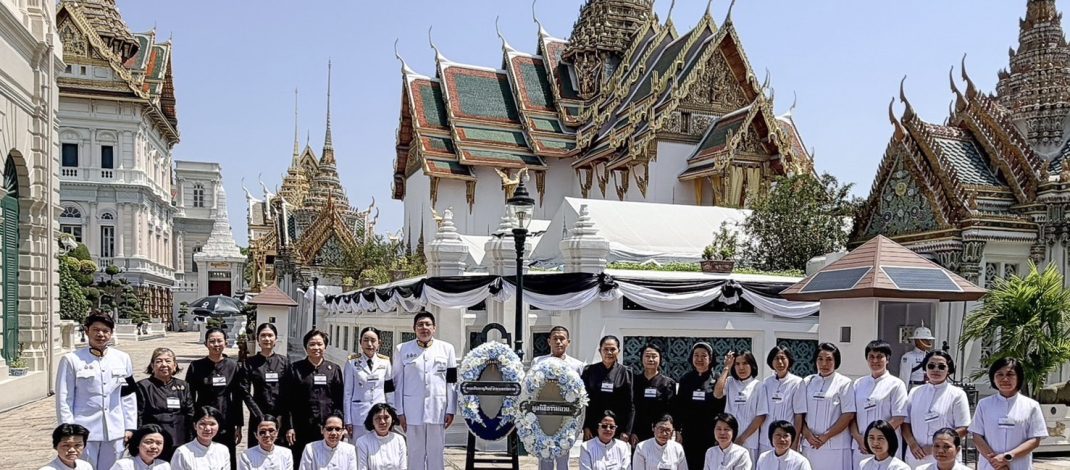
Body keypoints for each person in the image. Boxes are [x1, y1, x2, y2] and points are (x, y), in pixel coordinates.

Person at [55, 312, 137, 470]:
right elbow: (64, 399)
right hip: (84, 430)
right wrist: (68, 430)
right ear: (87, 331)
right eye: (96, 330)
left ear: (111, 333)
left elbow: (128, 395)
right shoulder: (72, 360)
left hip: (115, 430)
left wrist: (130, 427)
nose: (101, 334)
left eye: (106, 331)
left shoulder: (122, 358)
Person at [185, 327, 260, 470]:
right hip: (203, 419)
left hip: (226, 418)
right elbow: (189, 397)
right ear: (206, 344)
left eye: (219, 341)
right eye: (212, 341)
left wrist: (239, 425)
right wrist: (192, 422)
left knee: (226, 457)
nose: (216, 344)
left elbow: (237, 397)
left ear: (225, 342)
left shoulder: (233, 366)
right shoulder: (196, 366)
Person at [392, 311, 457, 469]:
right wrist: (399, 412)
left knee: (436, 453)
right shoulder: (402, 349)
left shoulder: (447, 349)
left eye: (428, 324)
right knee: (415, 453)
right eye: (420, 325)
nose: (424, 328)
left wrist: (451, 410)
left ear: (434, 328)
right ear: (414, 328)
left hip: (438, 410)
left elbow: (452, 382)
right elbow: (397, 383)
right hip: (411, 411)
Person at [969, 357, 1047, 470]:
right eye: (999, 374)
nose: (1005, 379)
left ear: (1019, 378)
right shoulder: (984, 404)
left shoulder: (1031, 406)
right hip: (990, 465)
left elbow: (1035, 439)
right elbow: (977, 436)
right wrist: (994, 460)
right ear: (993, 378)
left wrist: (1008, 457)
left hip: (1019, 465)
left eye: (1010, 374)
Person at [901, 351, 970, 467]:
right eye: (931, 366)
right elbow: (905, 423)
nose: (936, 370)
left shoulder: (957, 394)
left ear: (949, 370)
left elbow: (964, 428)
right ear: (925, 368)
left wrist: (937, 446)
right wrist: (912, 444)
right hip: (917, 455)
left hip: (945, 456)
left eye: (941, 367)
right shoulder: (915, 392)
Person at [283, 329, 344, 460]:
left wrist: (339, 426)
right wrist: (289, 427)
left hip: (327, 427)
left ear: (325, 346)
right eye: (312, 344)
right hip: (302, 426)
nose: (316, 347)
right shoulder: (294, 369)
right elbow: (287, 401)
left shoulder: (334, 369)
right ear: (306, 347)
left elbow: (339, 400)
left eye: (319, 344)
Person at [793, 342, 856, 470]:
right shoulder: (807, 381)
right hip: (810, 444)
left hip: (836, 446)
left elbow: (848, 414)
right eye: (820, 359)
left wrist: (826, 436)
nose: (824, 364)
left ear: (836, 361)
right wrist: (807, 435)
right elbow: (800, 413)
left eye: (829, 359)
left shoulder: (844, 383)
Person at [531, 325, 585, 470]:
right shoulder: (538, 362)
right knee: (544, 454)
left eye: (562, 339)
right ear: (549, 341)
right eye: (555, 339)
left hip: (566, 417)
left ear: (568, 342)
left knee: (563, 455)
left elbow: (581, 395)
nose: (559, 342)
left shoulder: (577, 365)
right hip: (543, 415)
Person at [850, 340, 907, 468]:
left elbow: (899, 418)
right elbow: (851, 417)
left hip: (886, 445)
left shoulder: (896, 384)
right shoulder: (858, 384)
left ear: (887, 359)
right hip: (861, 447)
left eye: (880, 357)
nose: (875, 361)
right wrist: (861, 440)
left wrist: (876, 438)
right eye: (871, 357)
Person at [673, 342, 726, 469]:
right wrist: (677, 430)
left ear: (711, 358)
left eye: (704, 356)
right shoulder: (686, 379)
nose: (700, 359)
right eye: (696, 355)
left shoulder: (717, 378)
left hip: (710, 432)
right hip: (689, 432)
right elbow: (679, 406)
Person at [136, 347, 193, 462]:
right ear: (152, 365)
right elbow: (139, 416)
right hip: (155, 442)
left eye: (168, 361)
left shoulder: (183, 386)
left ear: (175, 365)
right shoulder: (143, 386)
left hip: (179, 439)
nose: (164, 364)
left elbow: (190, 413)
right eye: (158, 361)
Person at [714, 351, 766, 462]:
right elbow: (717, 394)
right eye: (737, 364)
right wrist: (726, 368)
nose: (741, 367)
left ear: (752, 365)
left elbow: (760, 416)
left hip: (749, 441)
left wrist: (742, 438)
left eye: (745, 363)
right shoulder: (730, 382)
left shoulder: (759, 386)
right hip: (728, 440)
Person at [581, 335, 635, 442]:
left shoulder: (626, 372)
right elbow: (583, 401)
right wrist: (585, 426)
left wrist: (627, 431)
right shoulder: (589, 371)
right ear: (600, 351)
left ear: (618, 351)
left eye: (612, 349)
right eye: (605, 349)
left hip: (617, 428)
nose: (609, 352)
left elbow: (631, 404)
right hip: (593, 427)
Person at [244, 323, 290, 446]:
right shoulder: (249, 363)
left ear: (275, 338)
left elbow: (288, 391)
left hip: (279, 415)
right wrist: (259, 416)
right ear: (258, 339)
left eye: (270, 335)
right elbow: (245, 392)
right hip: (258, 413)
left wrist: (281, 415)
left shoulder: (284, 362)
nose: (267, 339)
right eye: (263, 335)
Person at [344, 326, 393, 439]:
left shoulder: (385, 362)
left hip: (380, 415)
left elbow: (389, 391)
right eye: (365, 340)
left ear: (379, 343)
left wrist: (391, 415)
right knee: (358, 450)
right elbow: (347, 393)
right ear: (360, 342)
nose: (369, 344)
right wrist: (348, 420)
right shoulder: (352, 362)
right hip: (358, 416)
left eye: (373, 340)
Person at [760, 345, 804, 455]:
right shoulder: (766, 383)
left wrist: (795, 441)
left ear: (789, 360)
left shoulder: (797, 383)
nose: (780, 362)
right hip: (766, 439)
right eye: (776, 358)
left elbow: (799, 415)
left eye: (783, 358)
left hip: (785, 440)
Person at [631, 344, 677, 445]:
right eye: (647, 356)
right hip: (638, 431)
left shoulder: (668, 383)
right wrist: (632, 431)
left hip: (660, 432)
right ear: (641, 358)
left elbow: (671, 409)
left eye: (654, 356)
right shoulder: (634, 381)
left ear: (660, 359)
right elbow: (631, 407)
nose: (651, 359)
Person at [171, 406, 231, 470]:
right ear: (195, 426)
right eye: (202, 424)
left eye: (212, 424)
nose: (207, 428)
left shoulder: (223, 450)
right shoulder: (182, 452)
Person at [356, 403, 408, 470]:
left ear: (392, 419)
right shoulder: (362, 442)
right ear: (372, 421)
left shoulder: (399, 439)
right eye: (378, 418)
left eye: (386, 417)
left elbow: (403, 467)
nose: (382, 422)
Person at [899, 326, 934, 390]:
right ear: (917, 341)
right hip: (915, 388)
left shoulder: (931, 356)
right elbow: (904, 378)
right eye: (925, 340)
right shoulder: (908, 357)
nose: (929, 342)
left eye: (929, 340)